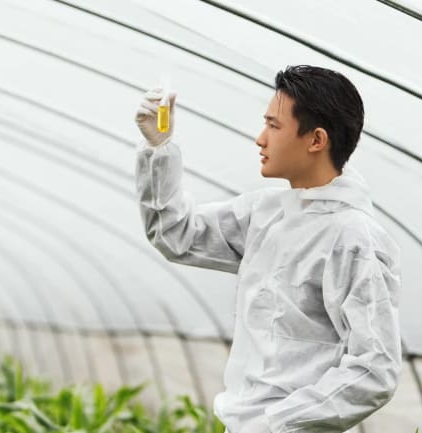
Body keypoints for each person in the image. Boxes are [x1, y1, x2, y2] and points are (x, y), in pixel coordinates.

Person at [134, 65, 402, 433]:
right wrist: (158, 148)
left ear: (316, 140)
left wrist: (277, 424)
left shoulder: (354, 238)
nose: (261, 139)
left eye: (274, 126)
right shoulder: (266, 214)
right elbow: (175, 235)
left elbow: (375, 368)